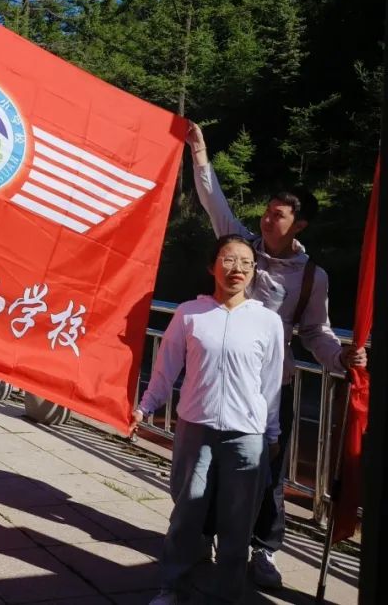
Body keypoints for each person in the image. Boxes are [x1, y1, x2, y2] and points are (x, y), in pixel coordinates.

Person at [187, 122, 368, 588]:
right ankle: (206, 539)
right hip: (222, 379)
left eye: (279, 215)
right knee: (212, 467)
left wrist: (340, 359)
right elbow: (214, 203)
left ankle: (263, 550)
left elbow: (316, 333)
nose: (268, 220)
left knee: (267, 474)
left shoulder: (312, 277)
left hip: (272, 390)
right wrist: (201, 154)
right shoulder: (241, 247)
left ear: (299, 225)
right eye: (267, 212)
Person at [131, 234, 284, 605]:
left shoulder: (267, 321)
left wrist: (273, 431)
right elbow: (166, 370)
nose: (238, 269)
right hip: (195, 429)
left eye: (247, 263)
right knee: (186, 514)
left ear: (254, 272)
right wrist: (145, 407)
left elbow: (271, 384)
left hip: (246, 436)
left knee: (237, 524)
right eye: (229, 260)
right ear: (212, 266)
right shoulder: (189, 314)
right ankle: (171, 587)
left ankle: (228, 594)